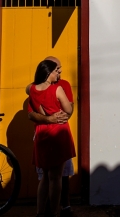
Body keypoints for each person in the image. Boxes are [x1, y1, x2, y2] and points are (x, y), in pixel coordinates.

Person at [27, 57, 76, 217]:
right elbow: (68, 110)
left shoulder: (32, 89)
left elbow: (29, 94)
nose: (59, 73)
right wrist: (58, 115)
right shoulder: (56, 89)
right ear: (49, 72)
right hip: (57, 133)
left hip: (42, 133)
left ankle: (40, 212)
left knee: (45, 178)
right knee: (56, 178)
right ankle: (55, 212)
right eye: (57, 70)